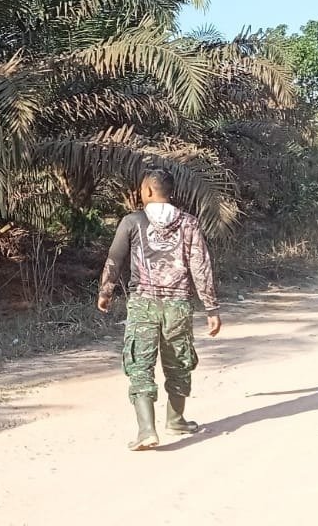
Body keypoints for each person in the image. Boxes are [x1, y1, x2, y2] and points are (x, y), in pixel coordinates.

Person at [97, 167, 222, 451]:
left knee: (140, 365)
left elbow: (115, 259)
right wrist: (211, 308)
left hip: (143, 304)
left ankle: (146, 430)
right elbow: (201, 266)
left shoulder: (132, 221)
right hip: (178, 305)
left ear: (148, 191)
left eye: (142, 189)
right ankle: (176, 420)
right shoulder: (189, 223)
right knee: (179, 362)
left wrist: (105, 292)